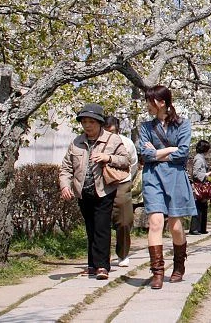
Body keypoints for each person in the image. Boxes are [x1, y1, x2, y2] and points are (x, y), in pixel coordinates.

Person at [59, 103, 130, 280]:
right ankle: (92, 264)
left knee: (102, 227)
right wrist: (65, 186)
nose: (87, 125)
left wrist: (108, 157)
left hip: (104, 190)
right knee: (91, 228)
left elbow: (125, 160)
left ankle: (102, 267)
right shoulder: (76, 142)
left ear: (99, 122)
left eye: (91, 121)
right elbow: (66, 167)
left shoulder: (112, 140)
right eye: (84, 121)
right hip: (83, 191)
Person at [138, 85, 197, 290]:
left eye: (149, 101)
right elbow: (144, 154)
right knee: (155, 223)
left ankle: (179, 264)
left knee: (175, 225)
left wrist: (159, 152)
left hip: (175, 177)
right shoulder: (145, 127)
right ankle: (158, 272)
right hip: (152, 176)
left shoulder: (183, 124)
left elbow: (183, 153)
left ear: (161, 102)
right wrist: (169, 150)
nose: (147, 105)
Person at [103, 116, 139, 268]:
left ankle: (122, 253)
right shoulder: (97, 142)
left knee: (124, 221)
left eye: (112, 131)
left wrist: (126, 178)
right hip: (102, 184)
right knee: (101, 221)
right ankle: (101, 256)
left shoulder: (126, 143)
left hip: (122, 183)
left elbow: (134, 164)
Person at [188, 140, 211, 235]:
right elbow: (196, 174)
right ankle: (194, 228)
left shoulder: (201, 158)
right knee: (198, 206)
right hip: (199, 185)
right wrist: (207, 174)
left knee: (203, 206)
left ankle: (202, 228)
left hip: (202, 184)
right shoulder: (199, 159)